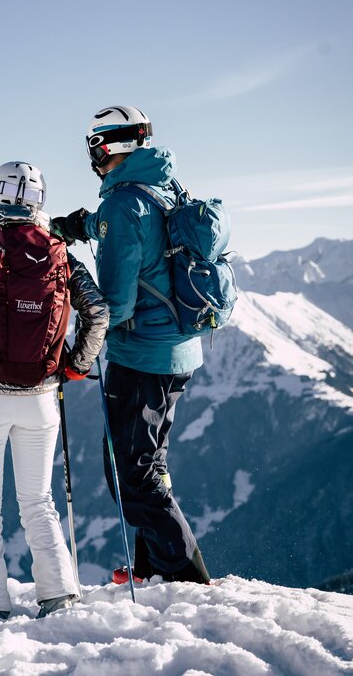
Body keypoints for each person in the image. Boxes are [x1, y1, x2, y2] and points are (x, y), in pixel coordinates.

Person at [0, 161, 109, 621]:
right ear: (39, 203)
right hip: (41, 397)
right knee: (40, 501)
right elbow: (99, 313)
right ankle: (60, 595)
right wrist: (74, 367)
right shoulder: (60, 253)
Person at [52, 106, 211, 585]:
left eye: (93, 147)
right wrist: (82, 225)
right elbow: (141, 237)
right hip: (177, 347)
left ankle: (184, 578)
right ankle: (151, 567)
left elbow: (116, 305)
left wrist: (73, 334)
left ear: (105, 147)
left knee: (130, 472)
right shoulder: (161, 185)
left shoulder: (124, 203)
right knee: (149, 463)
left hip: (141, 354)